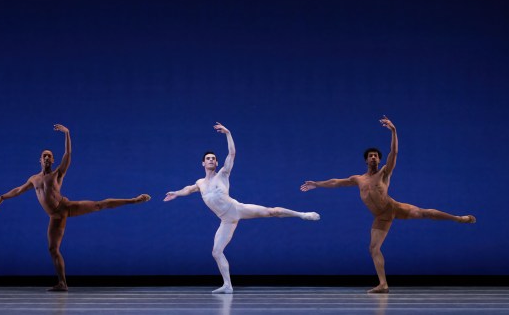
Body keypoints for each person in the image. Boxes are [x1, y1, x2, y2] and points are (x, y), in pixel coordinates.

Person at [300, 116, 476, 294]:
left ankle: (458, 218)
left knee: (424, 213)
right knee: (373, 248)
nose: (374, 157)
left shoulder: (384, 172)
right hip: (381, 217)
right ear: (366, 161)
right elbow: (336, 182)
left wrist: (393, 131)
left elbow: (394, 153)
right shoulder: (358, 179)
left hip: (393, 207)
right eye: (371, 156)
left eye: (376, 155)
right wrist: (317, 184)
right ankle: (383, 284)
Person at [0, 124, 151, 291]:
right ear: (40, 159)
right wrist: (2, 197)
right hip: (55, 217)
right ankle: (62, 283)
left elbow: (68, 154)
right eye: (44, 155)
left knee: (98, 205)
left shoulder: (57, 173)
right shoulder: (34, 179)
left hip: (65, 206)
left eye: (49, 156)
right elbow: (18, 190)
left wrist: (67, 133)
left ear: (52, 160)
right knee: (53, 249)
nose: (46, 158)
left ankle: (134, 200)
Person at [164, 122, 320, 294]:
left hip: (236, 209)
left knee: (272, 212)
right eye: (208, 158)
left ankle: (302, 215)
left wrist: (228, 133)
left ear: (216, 163)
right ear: (202, 163)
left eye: (213, 158)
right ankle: (228, 286)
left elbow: (232, 153)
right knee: (216, 252)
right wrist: (177, 193)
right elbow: (188, 189)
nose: (211, 160)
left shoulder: (223, 174)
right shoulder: (200, 183)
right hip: (226, 220)